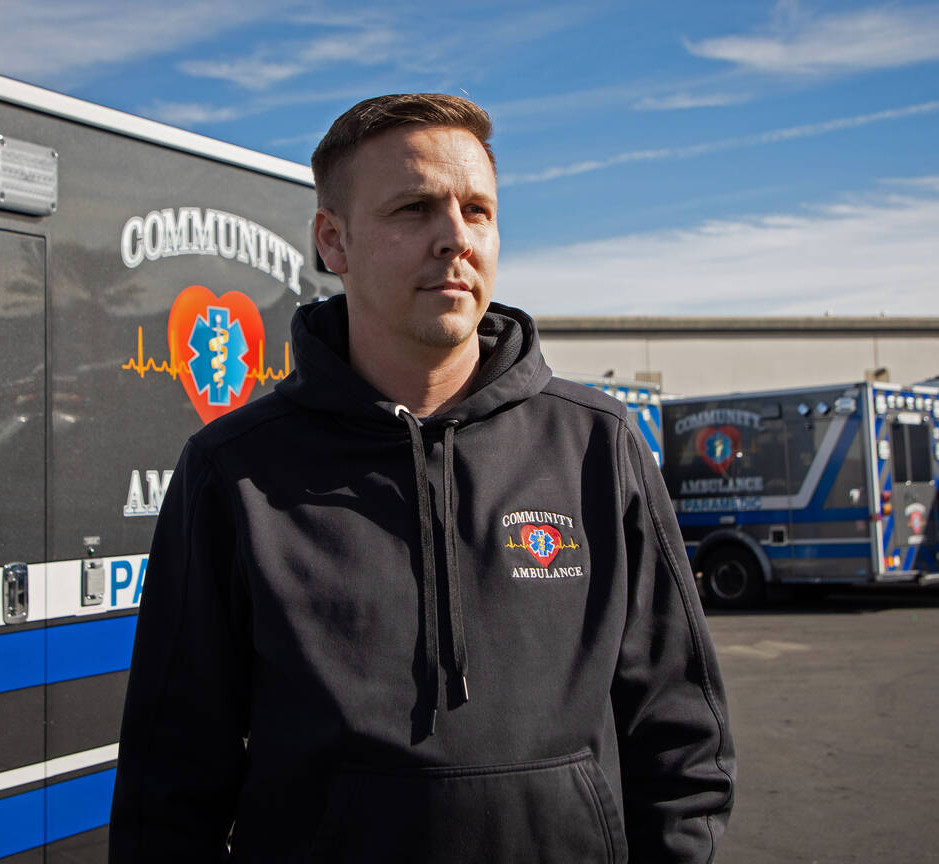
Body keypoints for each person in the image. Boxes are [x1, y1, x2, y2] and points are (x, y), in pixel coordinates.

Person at [109, 93, 734, 863]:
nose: (454, 239)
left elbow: (681, 733)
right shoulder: (236, 471)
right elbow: (170, 775)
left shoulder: (595, 446)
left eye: (477, 210)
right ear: (332, 241)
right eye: (413, 209)